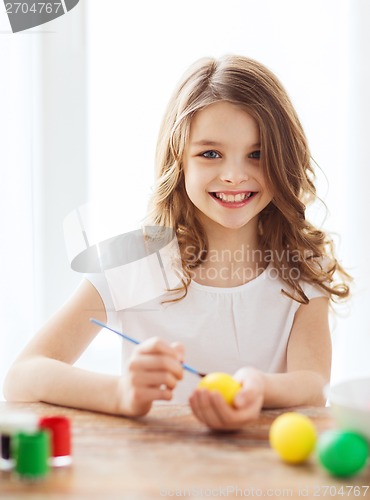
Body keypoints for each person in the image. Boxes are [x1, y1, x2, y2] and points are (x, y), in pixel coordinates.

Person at [4, 55, 350, 430]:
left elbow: (314, 385)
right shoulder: (134, 260)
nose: (234, 175)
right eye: (210, 154)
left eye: (257, 154)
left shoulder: (301, 268)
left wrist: (259, 388)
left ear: (285, 160)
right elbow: (23, 375)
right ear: (179, 161)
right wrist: (121, 394)